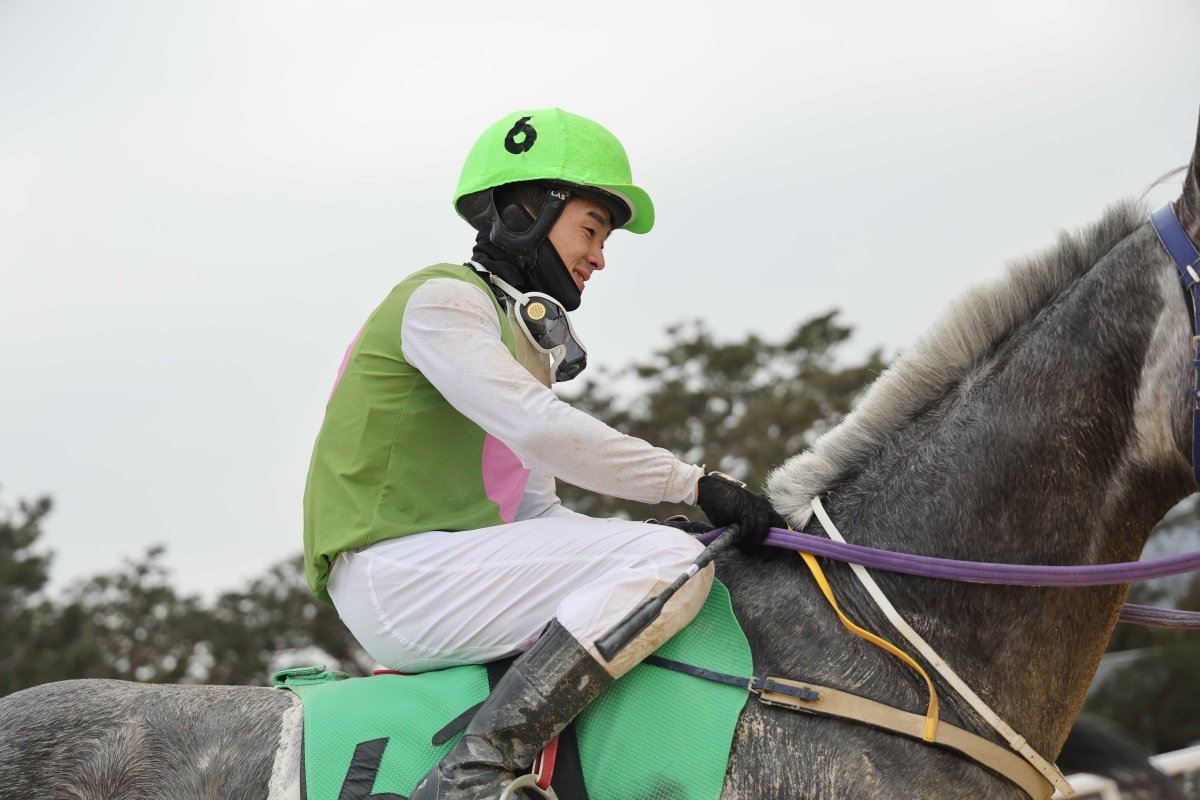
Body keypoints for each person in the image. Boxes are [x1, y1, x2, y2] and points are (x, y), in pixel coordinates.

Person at [302, 108, 783, 800]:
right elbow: (537, 427)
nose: (600, 256)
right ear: (527, 212)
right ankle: (477, 770)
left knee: (672, 556)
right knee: (671, 564)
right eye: (591, 229)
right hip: (394, 574)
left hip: (449, 567)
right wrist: (694, 485)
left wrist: (655, 538)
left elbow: (533, 510)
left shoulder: (529, 340)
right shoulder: (442, 302)